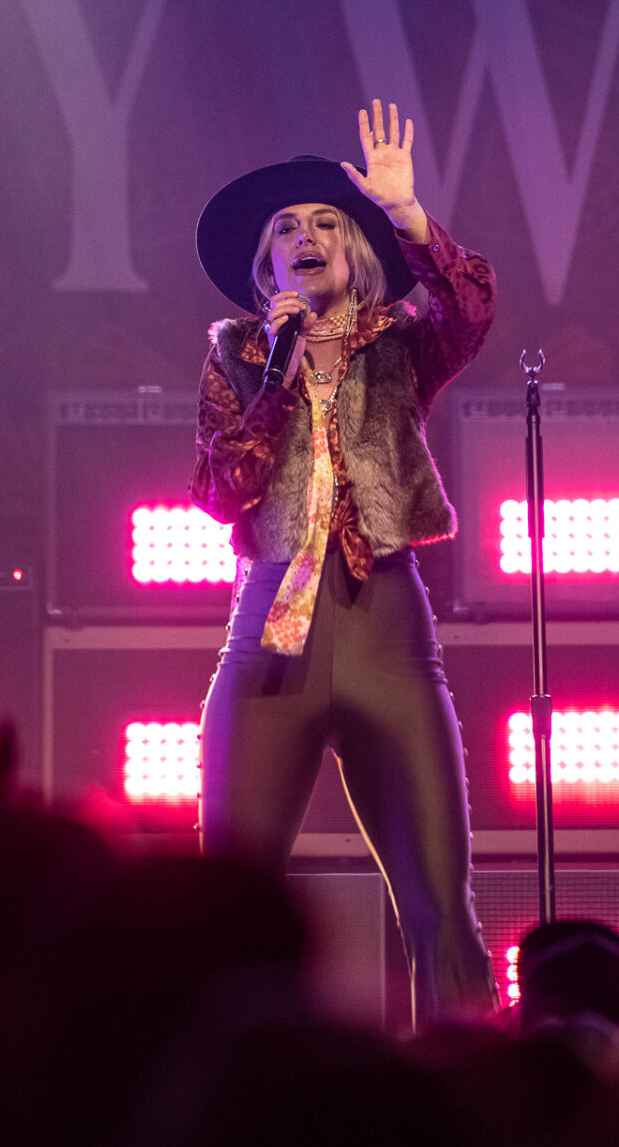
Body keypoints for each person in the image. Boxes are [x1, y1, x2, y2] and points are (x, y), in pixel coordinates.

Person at [190, 101, 496, 1025]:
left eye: (325, 222)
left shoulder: (403, 344)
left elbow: (472, 308)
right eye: (286, 228)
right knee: (224, 916)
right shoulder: (237, 354)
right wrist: (278, 377)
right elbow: (221, 490)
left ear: (355, 252)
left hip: (387, 634)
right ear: (266, 266)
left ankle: (470, 1080)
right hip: (269, 642)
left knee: (441, 908)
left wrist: (407, 215)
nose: (305, 237)